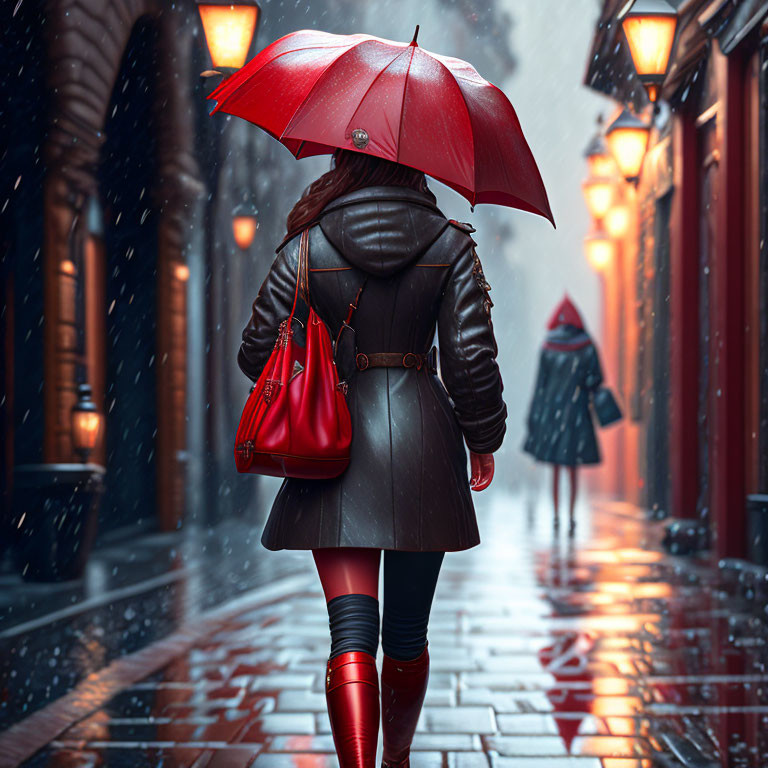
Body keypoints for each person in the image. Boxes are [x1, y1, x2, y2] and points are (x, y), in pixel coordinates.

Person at [237, 149, 507, 768]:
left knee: (351, 634)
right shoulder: (451, 244)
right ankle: (397, 760)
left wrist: (323, 354)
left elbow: (257, 354)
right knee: (407, 635)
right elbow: (470, 358)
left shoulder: (306, 246)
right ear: (418, 164)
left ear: (341, 155)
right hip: (424, 452)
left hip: (333, 450)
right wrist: (482, 436)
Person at [523, 295, 603, 534]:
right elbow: (595, 379)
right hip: (576, 412)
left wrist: (534, 416)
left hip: (552, 414)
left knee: (555, 467)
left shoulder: (548, 346)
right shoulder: (586, 346)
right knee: (573, 466)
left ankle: (556, 515)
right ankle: (571, 516)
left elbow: (540, 386)